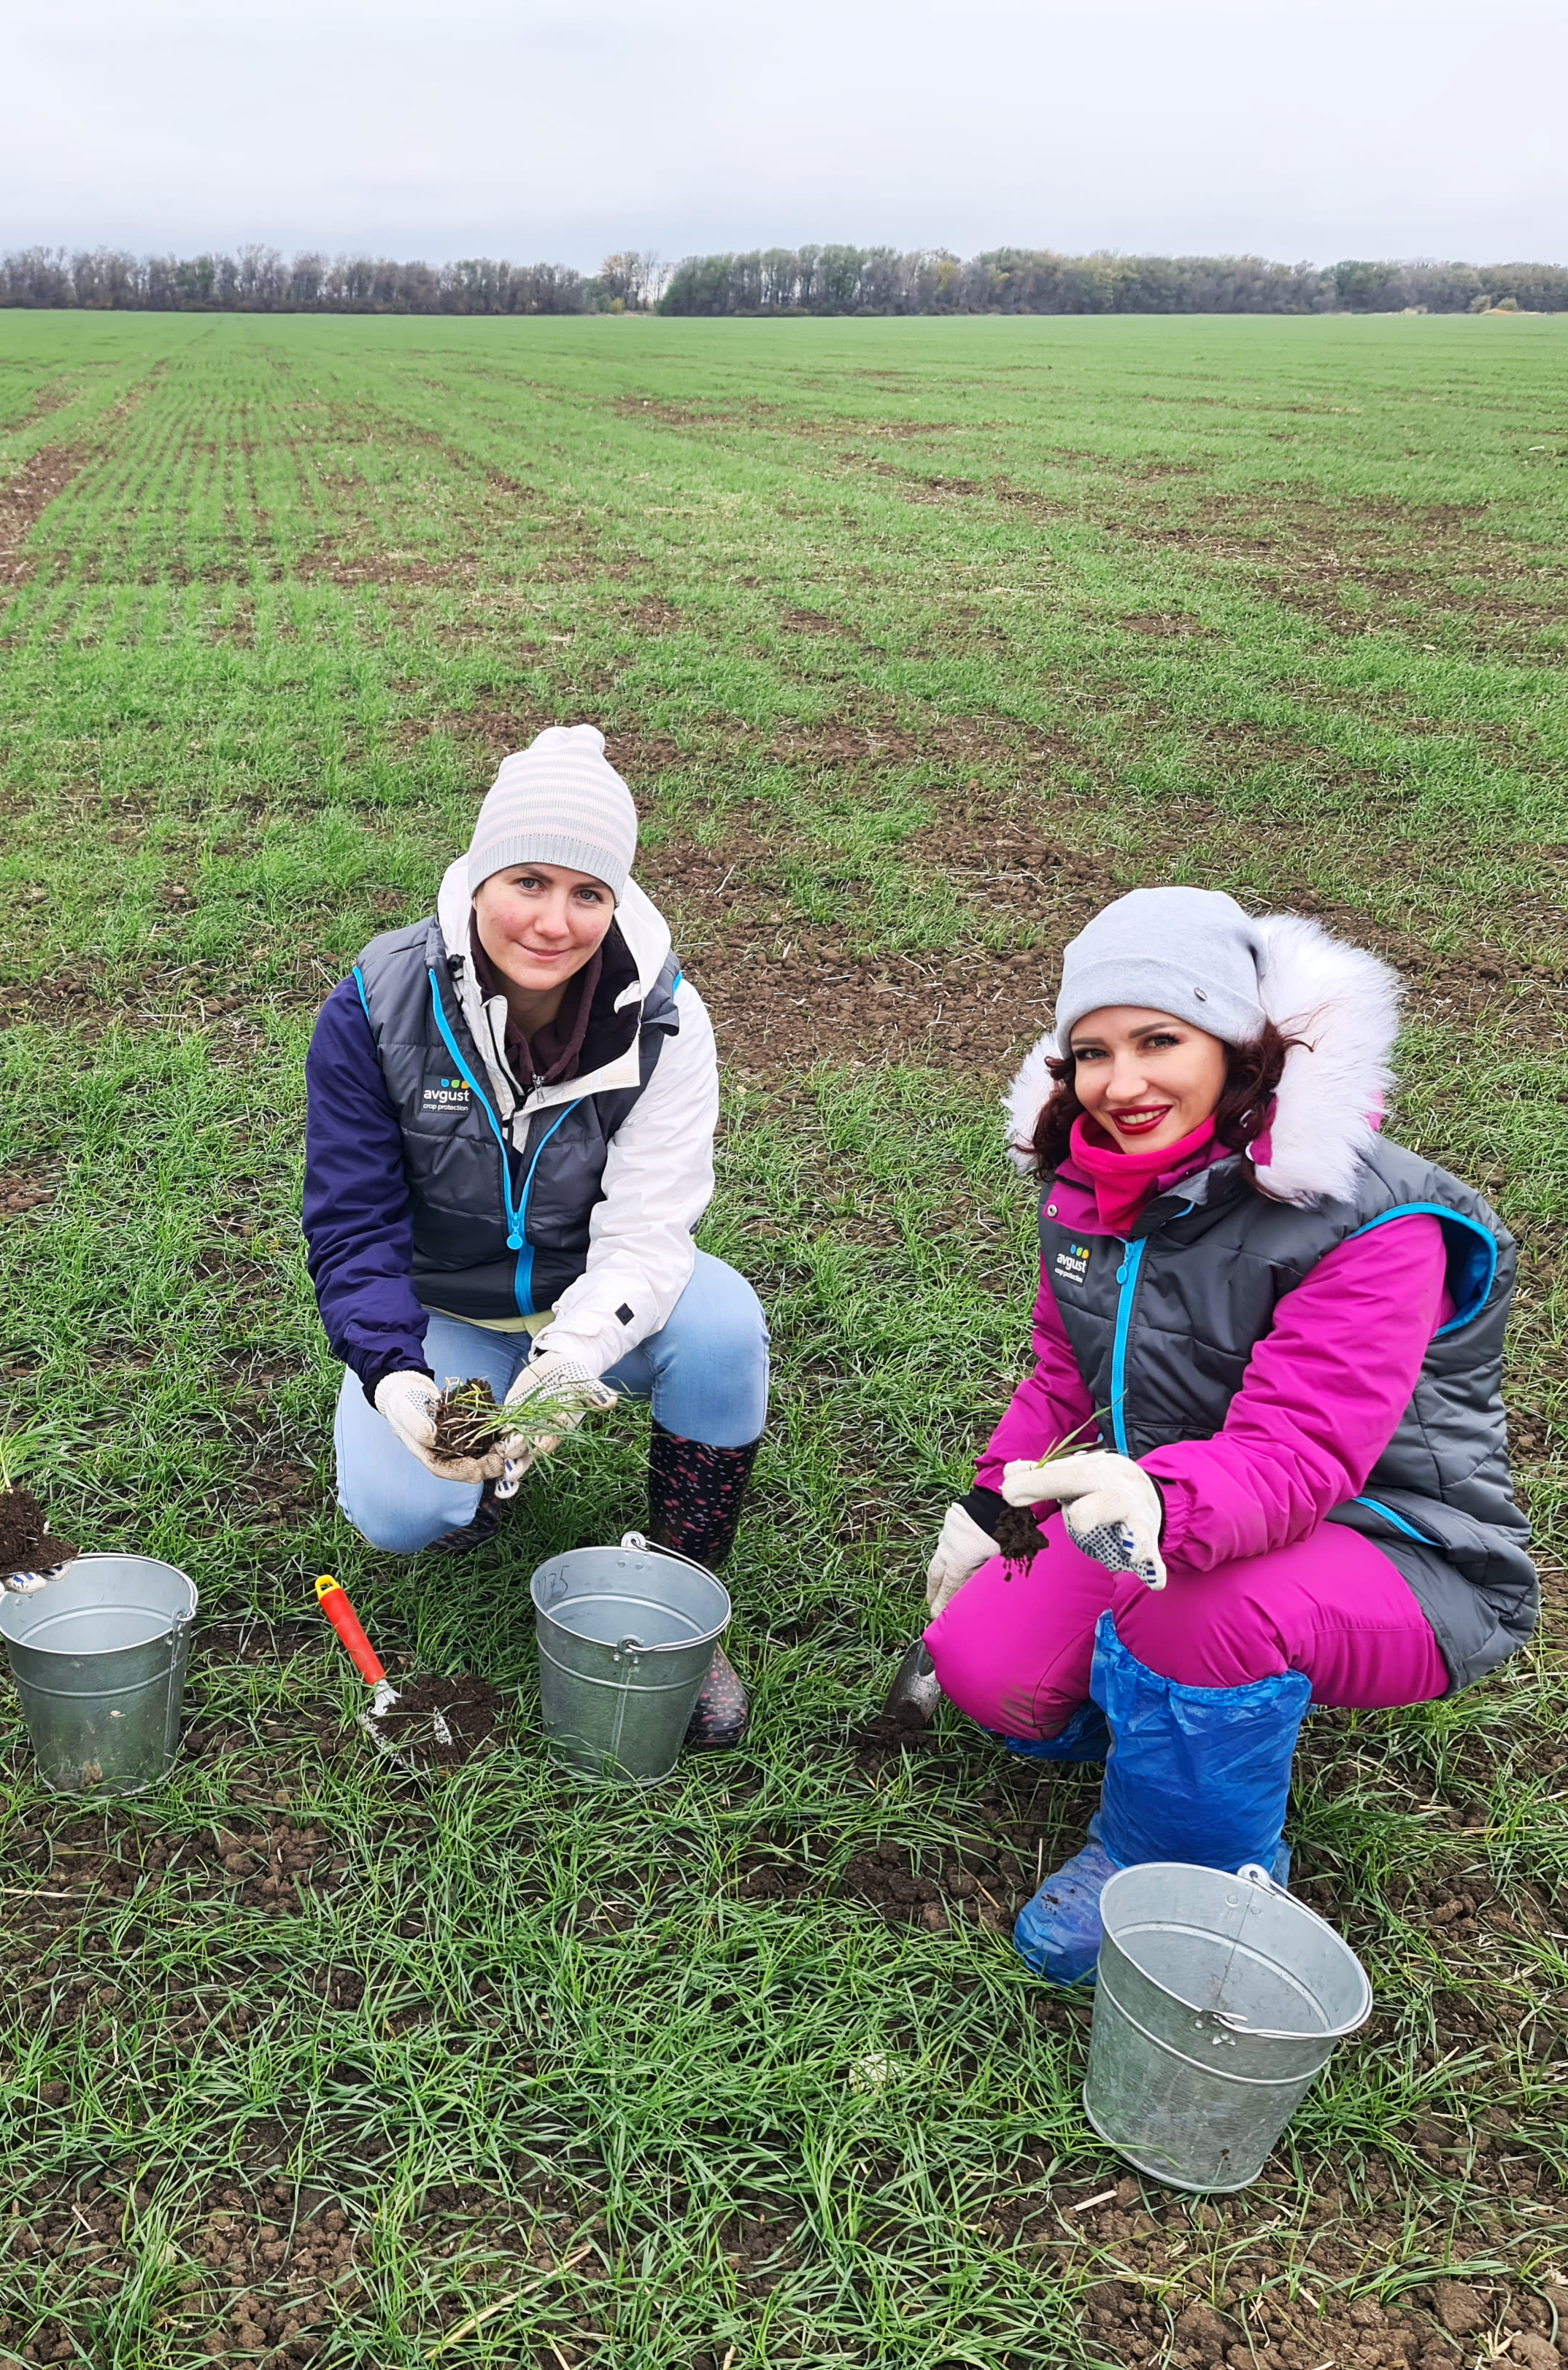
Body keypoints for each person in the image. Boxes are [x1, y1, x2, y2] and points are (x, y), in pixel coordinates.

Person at [922, 887, 1533, 1983]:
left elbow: (1302, 1452)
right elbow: (1066, 1376)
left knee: (1203, 1610)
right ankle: (1172, 1723)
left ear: (1241, 1044)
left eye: (1160, 1040)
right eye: (1093, 1052)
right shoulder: (1090, 1189)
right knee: (986, 1669)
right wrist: (993, 1502)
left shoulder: (1375, 1221)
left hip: (1395, 1543)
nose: (1122, 1083)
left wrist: (1160, 1506)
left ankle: (1184, 1870)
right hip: (1171, 1503)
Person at [302, 725, 770, 1745]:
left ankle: (683, 1598)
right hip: (448, 1304)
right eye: (528, 882)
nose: (554, 923)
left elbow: (649, 1231)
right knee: (398, 1512)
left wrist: (571, 1359)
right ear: (479, 876)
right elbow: (353, 1222)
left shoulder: (666, 1019)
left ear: (618, 900)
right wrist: (394, 1374)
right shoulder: (375, 1005)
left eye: (588, 894)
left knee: (724, 1328)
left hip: (591, 1292)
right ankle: (483, 1484)